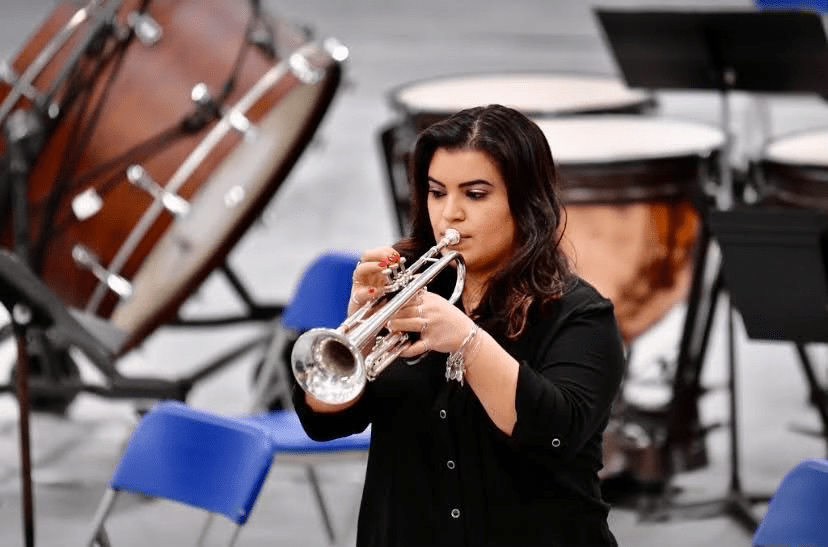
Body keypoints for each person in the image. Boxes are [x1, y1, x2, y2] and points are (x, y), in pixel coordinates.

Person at [292, 104, 626, 546]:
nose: (450, 214)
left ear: (525, 202)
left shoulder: (580, 315)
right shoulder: (405, 287)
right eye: (436, 192)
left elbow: (554, 438)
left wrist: (467, 341)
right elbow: (324, 423)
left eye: (475, 194)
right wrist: (361, 326)